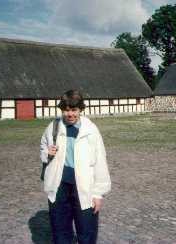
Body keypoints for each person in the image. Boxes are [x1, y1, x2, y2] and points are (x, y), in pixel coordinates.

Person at [40, 89, 111, 244]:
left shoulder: (91, 131)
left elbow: (100, 161)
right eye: (66, 110)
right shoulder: (53, 127)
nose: (70, 114)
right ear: (62, 110)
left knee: (86, 230)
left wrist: (98, 194)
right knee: (60, 230)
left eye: (74, 110)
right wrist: (47, 153)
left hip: (84, 187)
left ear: (80, 110)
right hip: (59, 185)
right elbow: (43, 149)